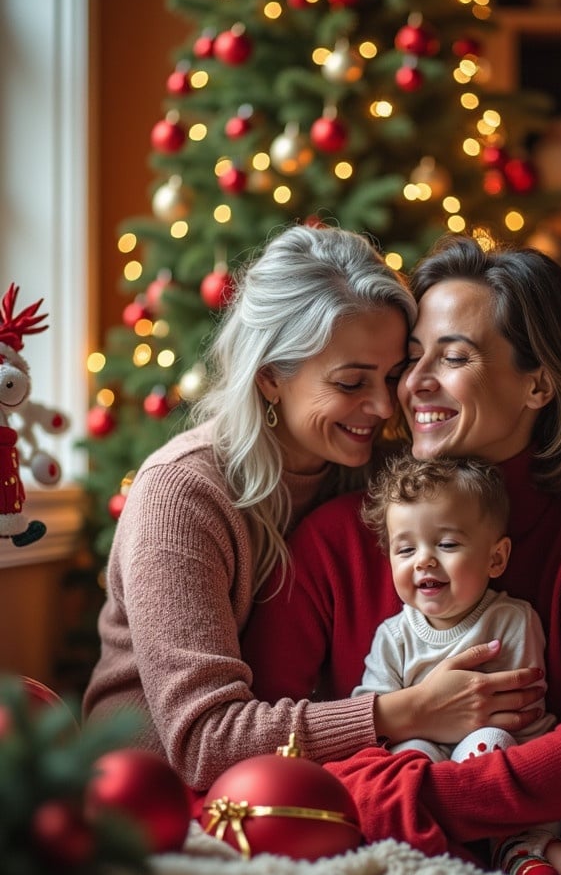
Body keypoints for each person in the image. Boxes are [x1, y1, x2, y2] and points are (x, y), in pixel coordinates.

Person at [242, 234, 561, 875]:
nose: (414, 384)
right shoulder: (335, 537)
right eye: (412, 359)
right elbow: (273, 727)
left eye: (453, 357)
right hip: (424, 777)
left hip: (516, 807)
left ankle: (449, 852)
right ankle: (506, 863)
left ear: (539, 383)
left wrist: (417, 800)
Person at [82, 222, 419, 788]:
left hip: (313, 774)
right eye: (351, 382)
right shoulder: (182, 495)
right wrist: (402, 711)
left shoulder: (378, 479)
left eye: (392, 376)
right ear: (269, 378)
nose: (383, 406)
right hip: (154, 790)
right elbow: (204, 743)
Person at [354, 451, 561, 875]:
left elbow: (523, 714)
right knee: (405, 759)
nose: (423, 560)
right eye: (405, 548)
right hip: (423, 757)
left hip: (501, 767)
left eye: (446, 544)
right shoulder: (393, 635)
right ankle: (430, 850)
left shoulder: (511, 620)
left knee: (490, 737)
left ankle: (515, 845)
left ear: (496, 559)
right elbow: (370, 713)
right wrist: (419, 719)